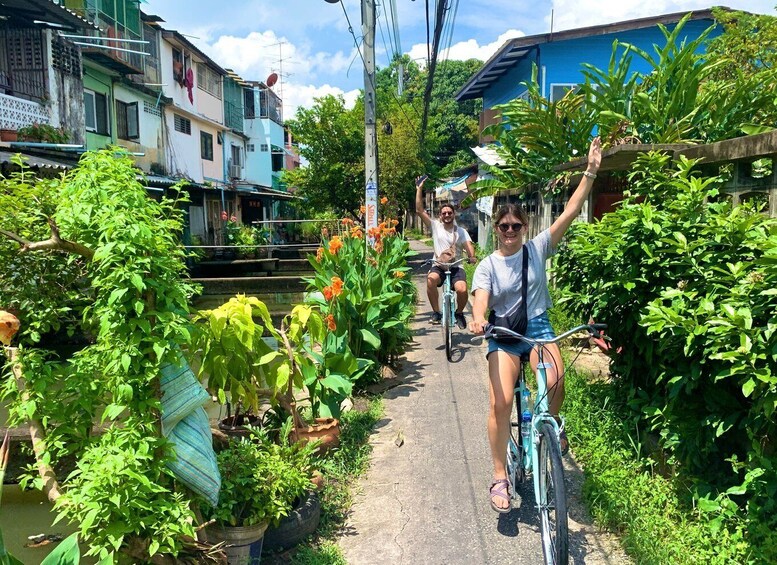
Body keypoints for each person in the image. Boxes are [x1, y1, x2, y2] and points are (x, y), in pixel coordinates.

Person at [469, 137, 602, 513]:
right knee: (502, 401)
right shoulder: (488, 265)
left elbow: (571, 211)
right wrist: (479, 319)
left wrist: (591, 170)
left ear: (525, 227)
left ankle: (552, 426)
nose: (510, 230)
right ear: (496, 228)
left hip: (540, 327)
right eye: (504, 225)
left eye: (516, 225)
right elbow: (481, 300)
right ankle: (499, 476)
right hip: (505, 334)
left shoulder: (538, 247)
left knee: (556, 378)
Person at [415, 175, 477, 328]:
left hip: (456, 266)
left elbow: (468, 245)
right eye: (444, 213)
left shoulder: (461, 231)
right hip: (439, 265)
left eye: (450, 213)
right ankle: (436, 312)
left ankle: (459, 312)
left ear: (453, 214)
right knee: (431, 279)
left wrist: (472, 256)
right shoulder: (435, 226)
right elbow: (419, 210)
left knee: (462, 289)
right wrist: (419, 189)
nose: (447, 215)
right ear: (440, 216)